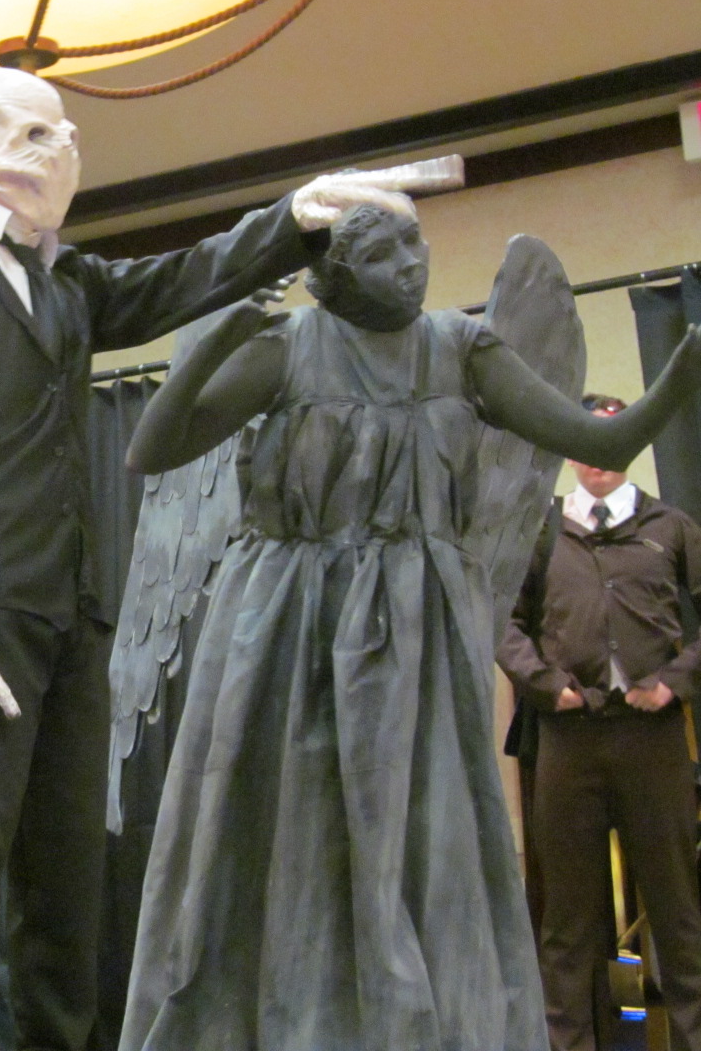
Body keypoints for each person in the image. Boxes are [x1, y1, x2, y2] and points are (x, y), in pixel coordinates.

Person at [0, 65, 410, 1051]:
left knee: (67, 877)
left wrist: (292, 219)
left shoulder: (66, 282)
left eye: (65, 131)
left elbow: (175, 281)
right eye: (39, 133)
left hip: (71, 612)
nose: (66, 149)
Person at [116, 204, 701, 1050]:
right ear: (336, 270)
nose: (414, 262)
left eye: (417, 244)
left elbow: (597, 438)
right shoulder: (289, 347)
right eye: (388, 251)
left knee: (418, 826)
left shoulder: (459, 349)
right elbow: (152, 449)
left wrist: (677, 378)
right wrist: (214, 342)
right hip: (288, 622)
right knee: (290, 817)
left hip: (415, 625)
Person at [497, 394, 701, 1051]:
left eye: (612, 439)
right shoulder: (540, 529)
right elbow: (500, 619)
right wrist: (544, 684)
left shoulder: (671, 526)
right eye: (586, 440)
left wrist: (675, 682)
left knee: (678, 911)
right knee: (568, 920)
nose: (599, 457)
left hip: (652, 741)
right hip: (568, 742)